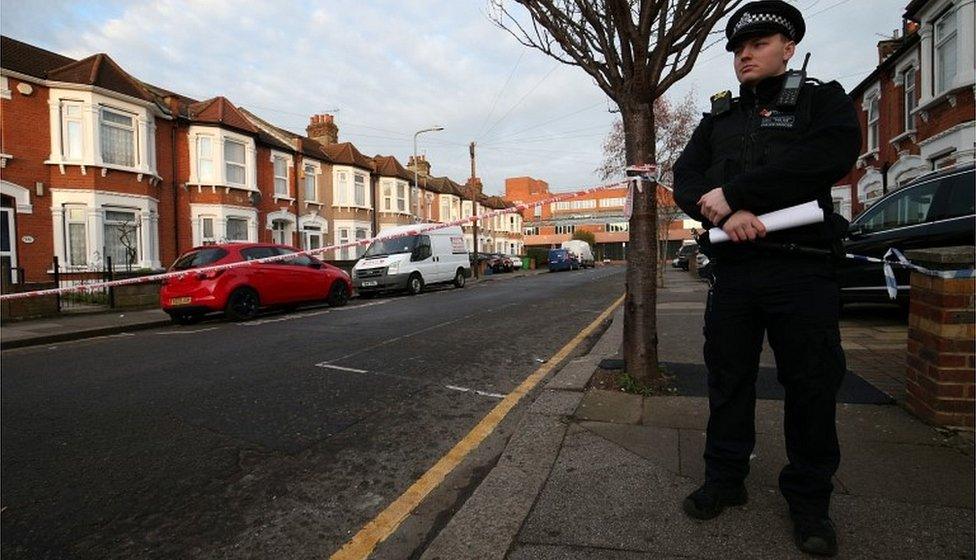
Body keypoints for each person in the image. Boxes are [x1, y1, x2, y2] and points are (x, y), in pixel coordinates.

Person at [672, 1, 860, 557]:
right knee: (728, 380)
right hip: (735, 272)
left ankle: (809, 502)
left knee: (810, 385)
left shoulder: (819, 100)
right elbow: (686, 179)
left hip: (802, 268)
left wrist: (737, 194)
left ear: (788, 47)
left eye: (757, 44)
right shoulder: (720, 117)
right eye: (736, 49)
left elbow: (828, 158)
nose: (745, 55)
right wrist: (727, 215)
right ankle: (725, 479)